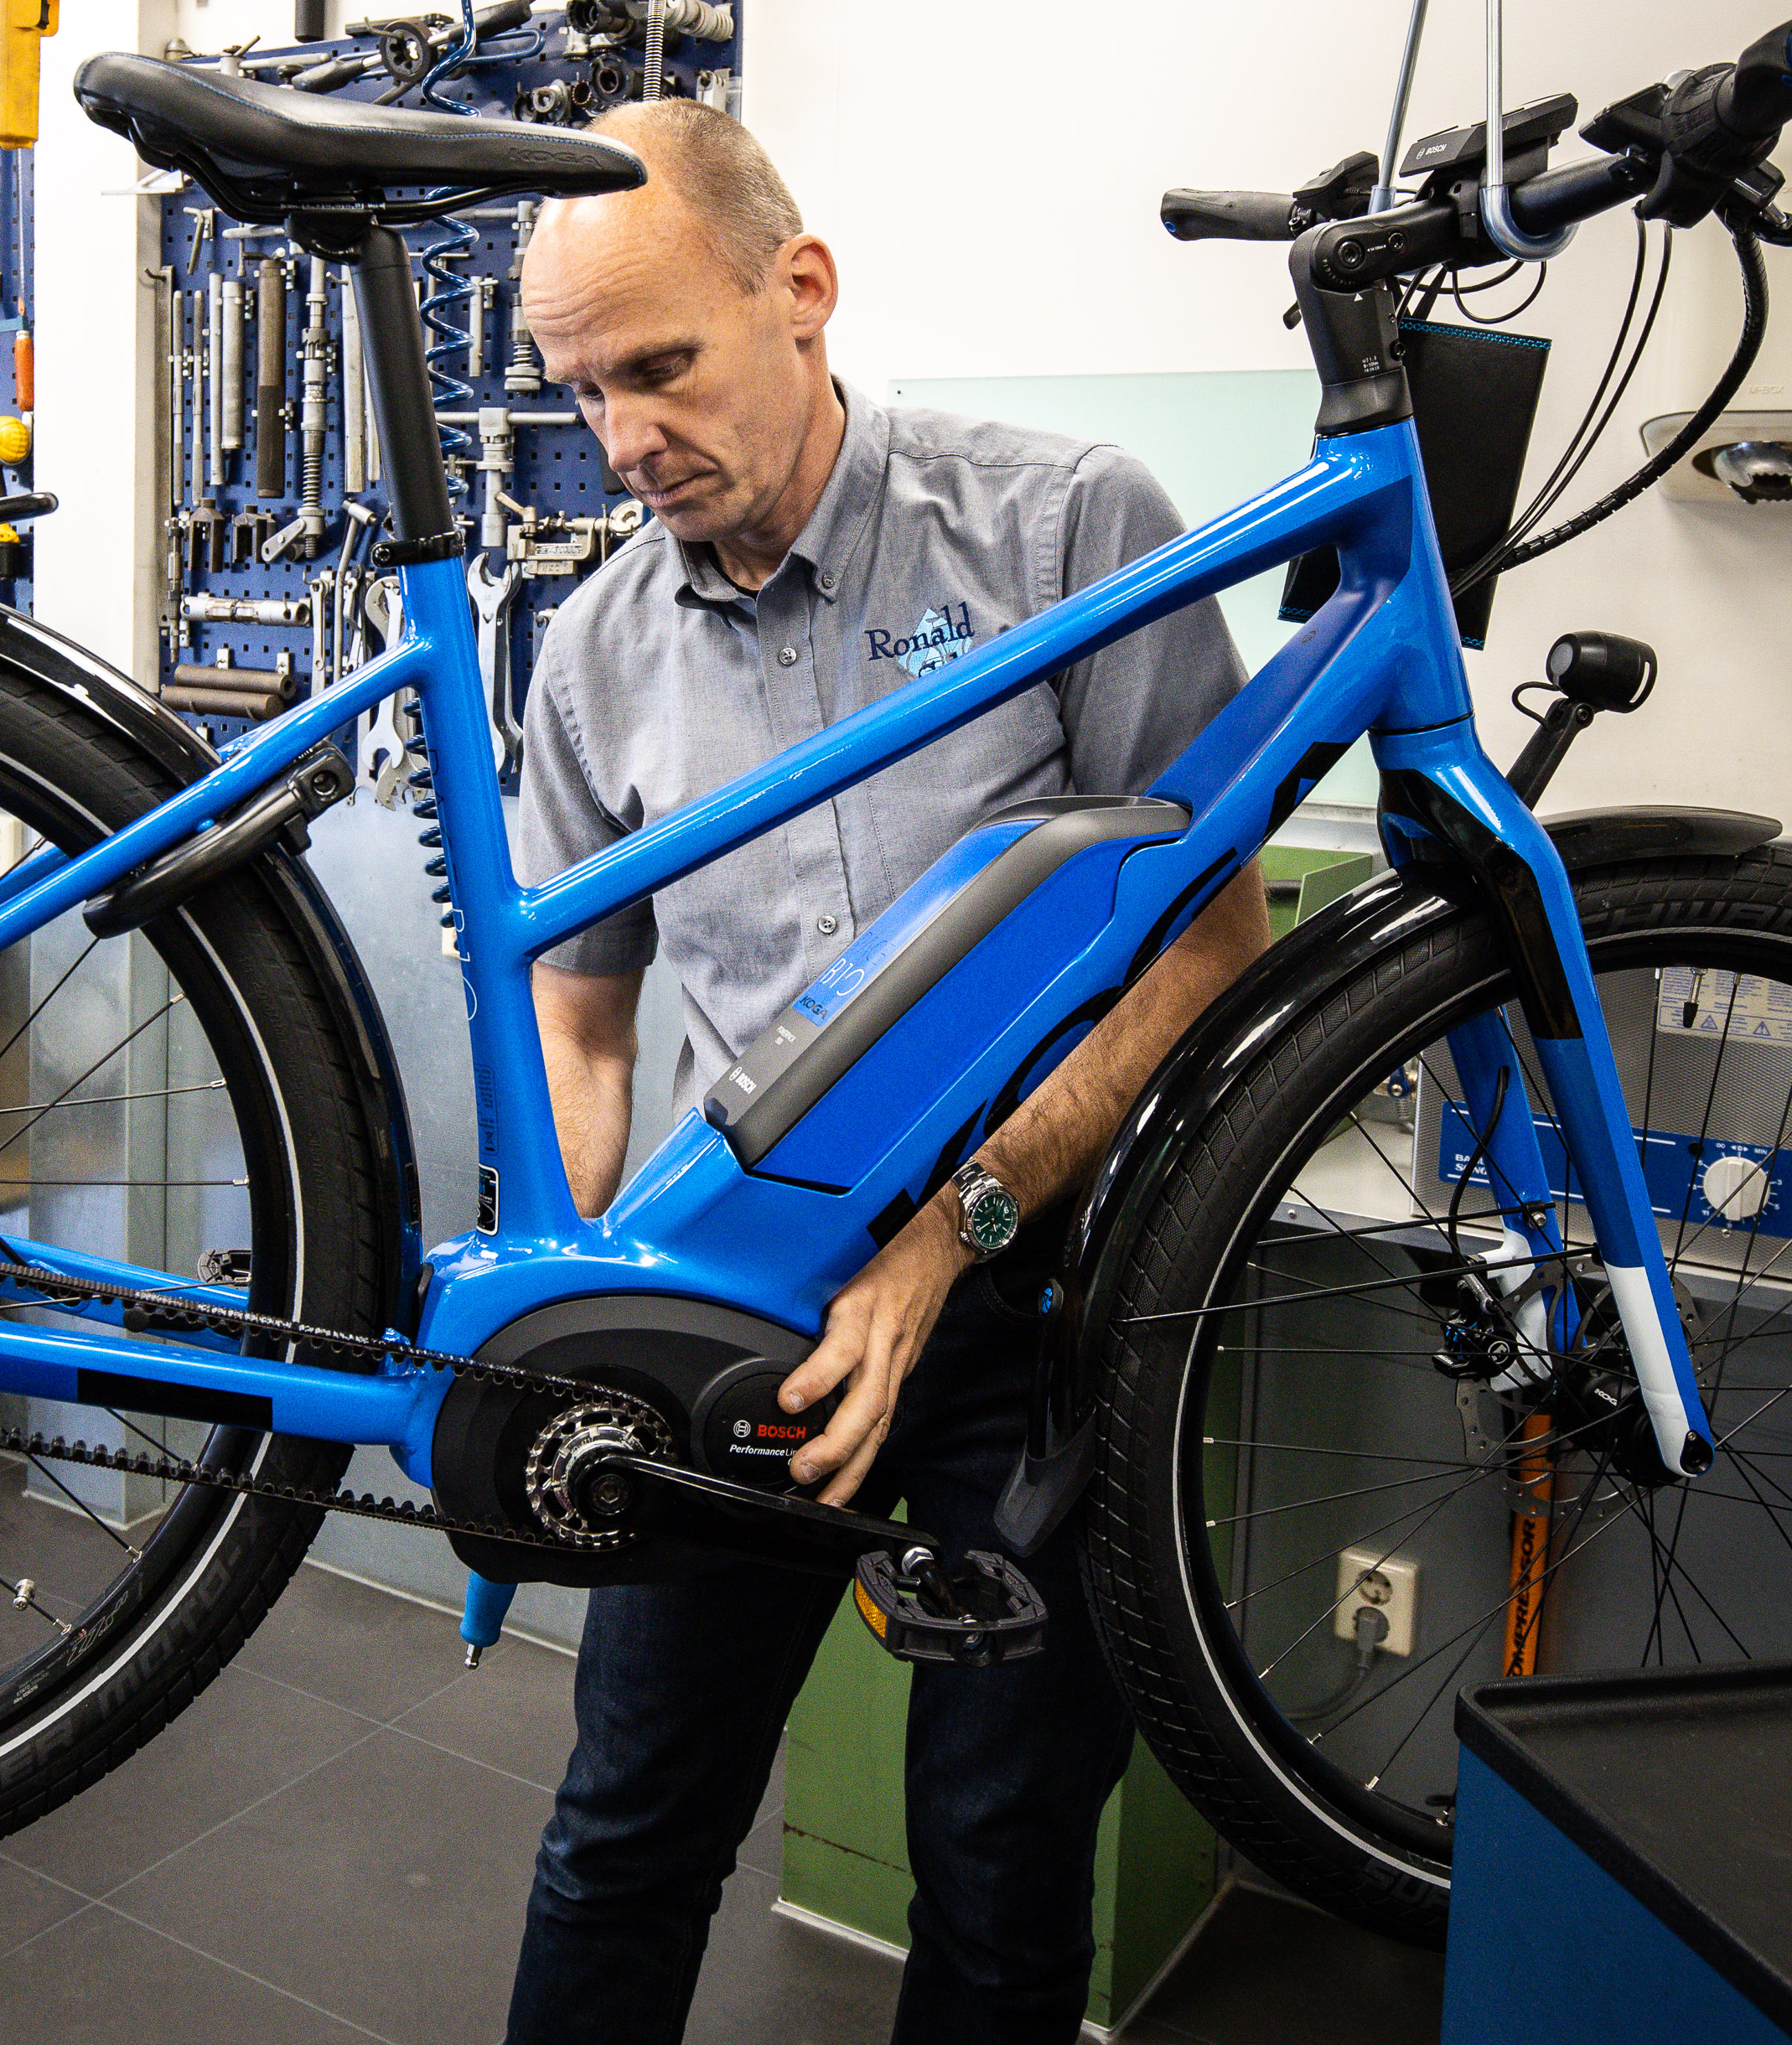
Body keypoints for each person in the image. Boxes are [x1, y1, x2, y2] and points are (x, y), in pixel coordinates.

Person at [500, 99, 1275, 2045]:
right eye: (578, 392)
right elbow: (581, 1017)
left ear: (802, 293)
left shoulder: (1066, 529)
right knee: (622, 1832)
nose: (622, 441)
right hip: (732, 1314)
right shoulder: (585, 654)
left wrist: (946, 1235)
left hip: (1037, 1304)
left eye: (659, 367)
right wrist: (584, 1289)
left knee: (1004, 1871)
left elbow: (1203, 941)